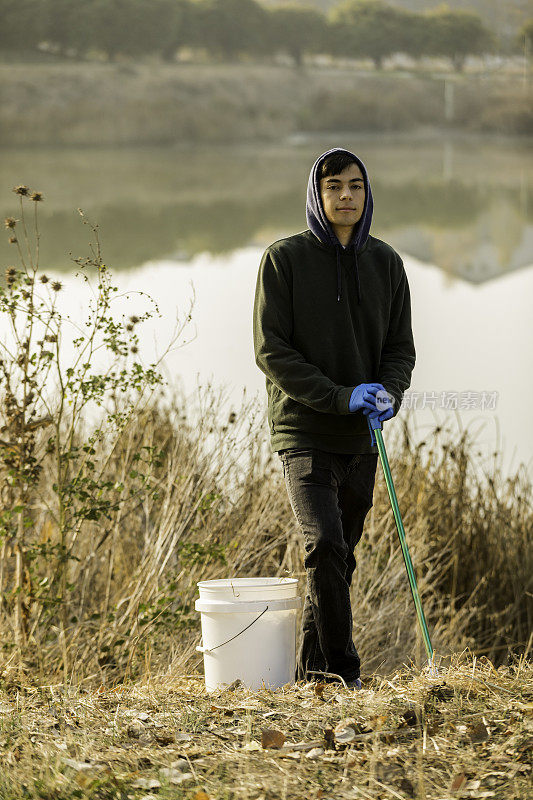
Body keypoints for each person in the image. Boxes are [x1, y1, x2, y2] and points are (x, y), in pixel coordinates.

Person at [252, 147, 416, 689]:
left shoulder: (387, 263)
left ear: (367, 194)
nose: (345, 197)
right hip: (303, 429)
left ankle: (311, 675)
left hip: (362, 436)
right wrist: (338, 396)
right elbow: (271, 351)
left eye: (355, 187)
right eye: (333, 187)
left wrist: (388, 392)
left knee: (338, 561)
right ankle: (346, 673)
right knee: (323, 543)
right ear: (316, 196)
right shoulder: (284, 259)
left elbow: (400, 349)